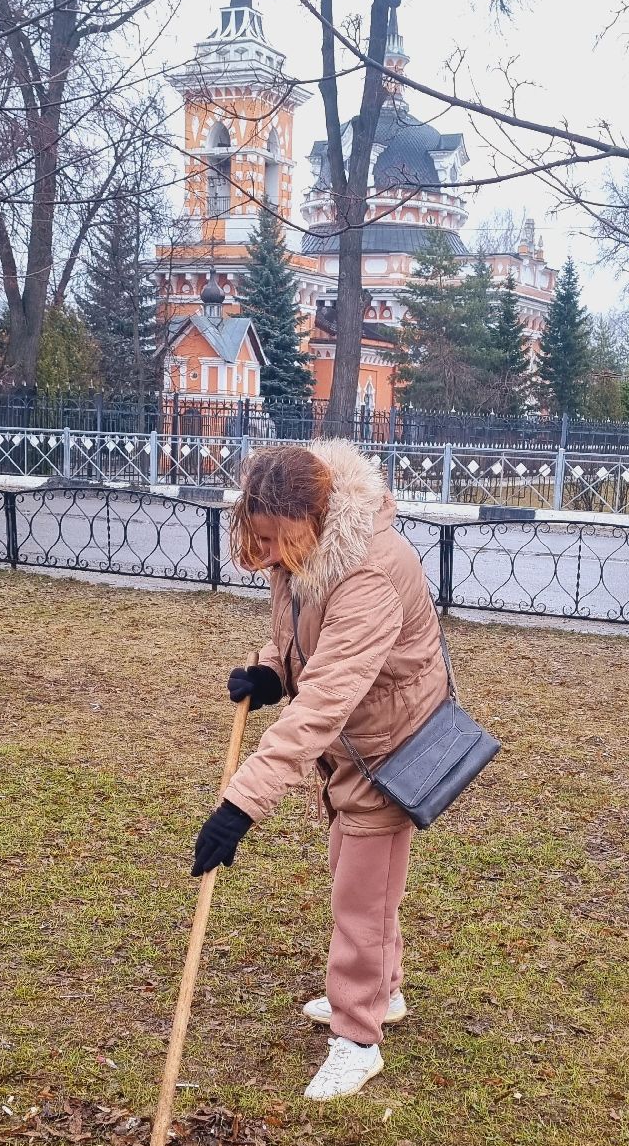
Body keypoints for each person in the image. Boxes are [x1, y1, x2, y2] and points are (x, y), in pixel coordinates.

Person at [191, 440, 448, 1101]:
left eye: (273, 539)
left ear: (313, 518)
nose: (265, 553)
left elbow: (326, 699)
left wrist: (239, 805)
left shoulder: (369, 576)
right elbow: (301, 635)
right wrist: (271, 671)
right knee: (356, 876)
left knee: (361, 895)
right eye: (257, 537)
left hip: (393, 744)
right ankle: (384, 991)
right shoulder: (306, 552)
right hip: (355, 738)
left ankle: (358, 1039)